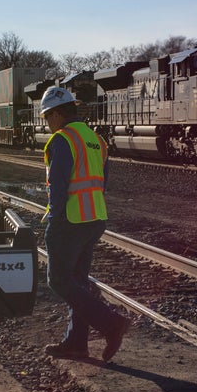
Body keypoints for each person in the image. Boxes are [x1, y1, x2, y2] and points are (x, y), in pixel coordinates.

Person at [39, 87, 132, 362]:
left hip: (70, 220)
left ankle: (111, 323)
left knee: (58, 280)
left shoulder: (62, 139)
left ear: (56, 114)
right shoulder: (95, 139)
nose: (48, 123)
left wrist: (55, 220)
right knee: (77, 282)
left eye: (47, 117)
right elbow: (102, 179)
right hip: (95, 218)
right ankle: (76, 343)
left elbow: (58, 185)